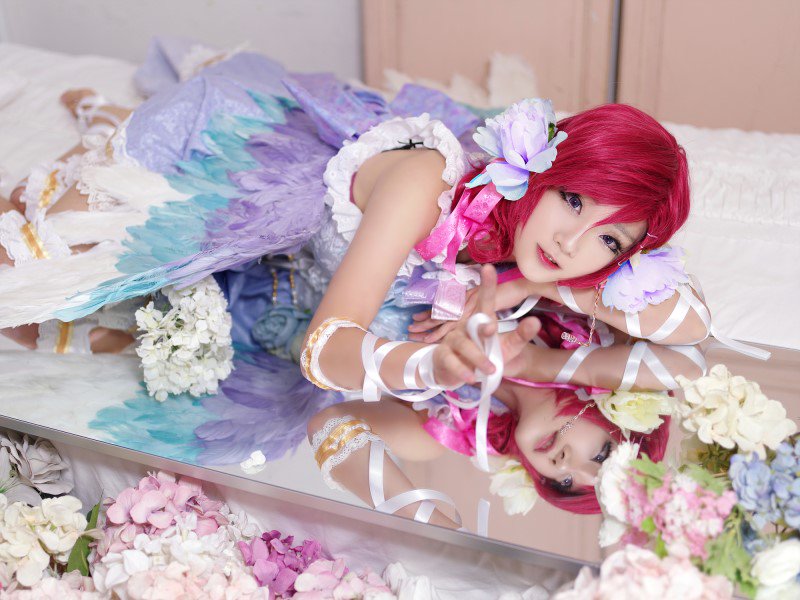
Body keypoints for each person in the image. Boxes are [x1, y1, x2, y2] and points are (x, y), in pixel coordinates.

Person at [0, 50, 709, 523]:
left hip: (273, 296)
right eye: (574, 201)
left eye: (611, 241)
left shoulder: (464, 413)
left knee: (146, 372)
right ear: (544, 169)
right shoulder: (433, 182)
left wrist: (422, 512)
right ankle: (105, 123)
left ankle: (101, 148)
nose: (571, 243)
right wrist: (449, 356)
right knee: (43, 249)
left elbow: (326, 421)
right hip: (251, 179)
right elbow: (326, 349)